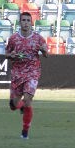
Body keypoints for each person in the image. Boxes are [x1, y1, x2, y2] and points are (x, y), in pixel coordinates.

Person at [5, 11, 48, 139]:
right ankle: (20, 105)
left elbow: (46, 54)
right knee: (13, 105)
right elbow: (7, 53)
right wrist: (10, 56)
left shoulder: (38, 38)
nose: (26, 23)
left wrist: (43, 50)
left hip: (32, 72)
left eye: (28, 20)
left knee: (28, 99)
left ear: (31, 23)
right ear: (20, 22)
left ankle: (25, 132)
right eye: (23, 20)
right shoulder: (13, 38)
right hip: (17, 73)